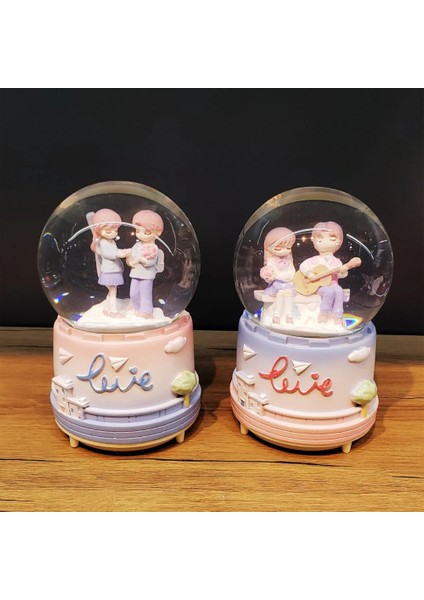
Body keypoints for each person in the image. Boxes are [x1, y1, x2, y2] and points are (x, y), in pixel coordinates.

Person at [299, 221, 347, 324]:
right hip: (319, 286)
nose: (326, 242)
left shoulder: (337, 262)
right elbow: (303, 266)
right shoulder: (315, 260)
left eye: (332, 239)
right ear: (314, 241)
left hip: (334, 284)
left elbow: (341, 274)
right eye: (320, 240)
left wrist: (343, 272)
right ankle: (324, 312)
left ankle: (338, 314)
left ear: (338, 241)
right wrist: (310, 274)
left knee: (339, 291)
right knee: (329, 292)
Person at [87, 209, 129, 318]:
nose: (113, 233)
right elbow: (107, 254)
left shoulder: (111, 241)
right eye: (108, 231)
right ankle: (113, 312)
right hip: (109, 270)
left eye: (115, 230)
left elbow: (113, 251)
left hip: (114, 269)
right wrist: (119, 254)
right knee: (113, 291)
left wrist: (121, 252)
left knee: (112, 291)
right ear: (99, 230)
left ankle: (107, 309)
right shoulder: (103, 241)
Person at [127, 210, 165, 318]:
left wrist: (143, 260)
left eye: (146, 232)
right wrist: (130, 259)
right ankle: (137, 308)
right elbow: (132, 258)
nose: (140, 234)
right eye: (137, 230)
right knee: (133, 292)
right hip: (135, 273)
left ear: (157, 232)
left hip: (147, 274)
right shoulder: (137, 245)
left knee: (145, 293)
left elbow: (151, 262)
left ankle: (147, 311)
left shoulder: (154, 247)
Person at [260, 227, 296, 324]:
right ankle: (276, 314)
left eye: (288, 248)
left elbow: (292, 273)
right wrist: (273, 276)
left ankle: (288, 314)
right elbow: (273, 275)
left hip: (287, 284)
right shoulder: (271, 261)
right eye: (278, 248)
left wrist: (281, 275)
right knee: (280, 293)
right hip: (276, 285)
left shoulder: (288, 261)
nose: (284, 251)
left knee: (288, 293)